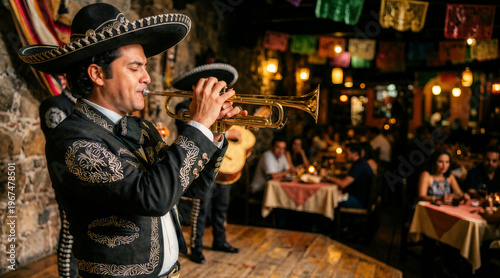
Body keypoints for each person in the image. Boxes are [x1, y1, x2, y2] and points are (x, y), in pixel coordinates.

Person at [19, 3, 246, 277]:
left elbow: (190, 187)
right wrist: (198, 125)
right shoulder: (72, 139)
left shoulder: (140, 128)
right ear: (98, 74)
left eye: (145, 67)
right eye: (135, 68)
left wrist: (215, 131)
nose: (147, 78)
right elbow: (154, 198)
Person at [172, 63, 241, 264]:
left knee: (221, 207)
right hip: (198, 166)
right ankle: (196, 248)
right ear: (197, 88)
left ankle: (220, 240)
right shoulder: (183, 107)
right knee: (199, 211)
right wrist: (227, 131)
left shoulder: (220, 108)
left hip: (222, 164)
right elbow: (193, 132)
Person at [39, 87, 78, 278]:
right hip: (67, 180)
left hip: (85, 178)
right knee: (69, 233)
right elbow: (62, 146)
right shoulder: (54, 105)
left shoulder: (83, 105)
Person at [326, 143, 374, 209]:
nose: (345, 155)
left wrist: (327, 176)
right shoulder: (361, 162)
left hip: (358, 201)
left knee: (328, 201)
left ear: (355, 154)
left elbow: (343, 184)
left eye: (347, 153)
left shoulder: (359, 165)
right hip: (359, 198)